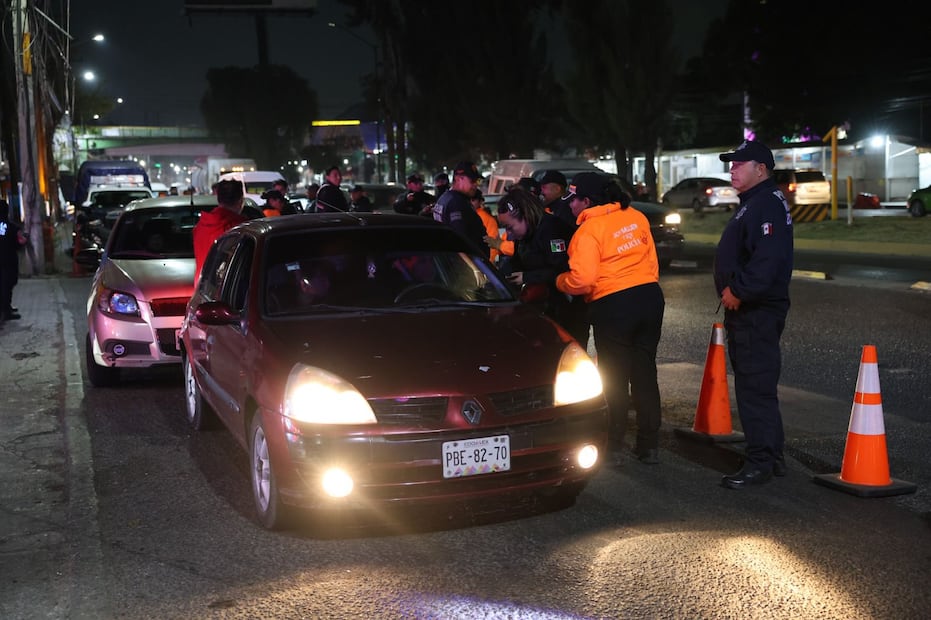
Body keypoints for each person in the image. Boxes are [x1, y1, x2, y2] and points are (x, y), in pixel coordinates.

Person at [555, 172, 665, 464]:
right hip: (650, 297)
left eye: (573, 200)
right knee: (644, 373)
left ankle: (614, 446)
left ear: (587, 201)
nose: (570, 206)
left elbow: (583, 280)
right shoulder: (637, 217)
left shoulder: (588, 231)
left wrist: (560, 281)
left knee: (614, 377)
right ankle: (649, 445)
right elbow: (652, 261)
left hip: (614, 304)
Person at [715, 140, 794, 489]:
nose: (731, 169)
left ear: (760, 169)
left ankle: (760, 461)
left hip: (755, 311)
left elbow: (768, 258)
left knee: (753, 386)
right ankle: (772, 455)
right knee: (759, 384)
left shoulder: (764, 204)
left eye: (737, 164)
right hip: (754, 309)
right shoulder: (758, 202)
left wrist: (738, 291)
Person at [496, 187, 589, 346]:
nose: (508, 234)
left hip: (567, 310)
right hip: (542, 308)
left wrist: (527, 277)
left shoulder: (552, 230)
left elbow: (564, 269)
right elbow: (516, 261)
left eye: (510, 227)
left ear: (525, 217)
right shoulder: (526, 234)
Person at [193, 179, 247, 285]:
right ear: (241, 201)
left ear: (218, 199)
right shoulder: (241, 228)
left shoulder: (201, 226)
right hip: (227, 292)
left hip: (202, 289)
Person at [432, 161, 489, 259]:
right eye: (472, 181)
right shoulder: (456, 203)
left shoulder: (446, 198)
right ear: (458, 179)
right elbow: (461, 241)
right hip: (465, 265)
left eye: (477, 181)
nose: (476, 185)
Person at [0, 199, 25, 322]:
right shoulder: (12, 227)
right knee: (7, 285)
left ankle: (5, 308)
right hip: (8, 260)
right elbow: (18, 243)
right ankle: (6, 311)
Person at [470, 189, 502, 264]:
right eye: (469, 199)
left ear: (480, 202)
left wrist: (488, 264)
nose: (470, 202)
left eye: (473, 199)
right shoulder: (465, 215)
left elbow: (493, 244)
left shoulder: (487, 219)